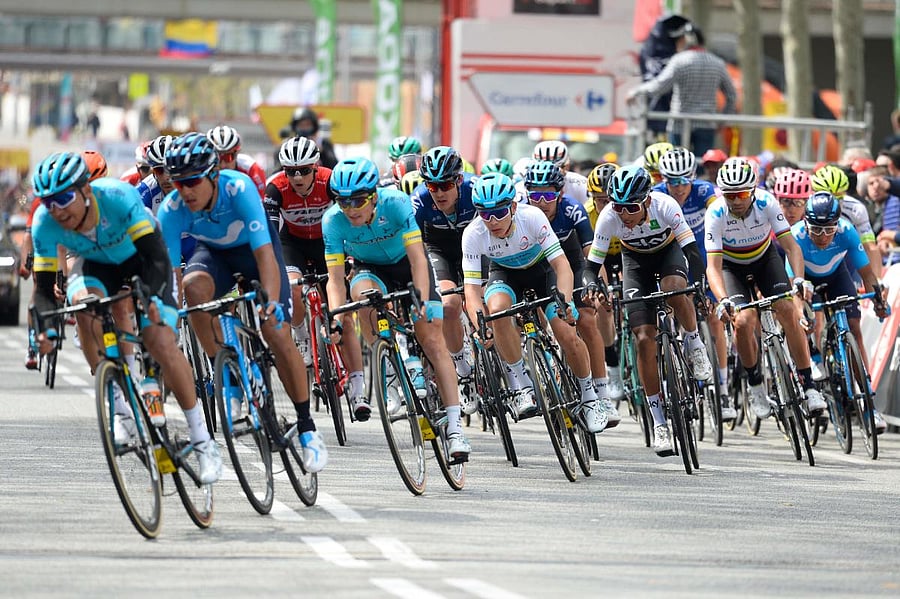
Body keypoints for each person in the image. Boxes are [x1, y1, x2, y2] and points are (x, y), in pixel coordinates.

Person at [29, 151, 222, 483]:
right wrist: (46, 330)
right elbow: (44, 291)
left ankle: (203, 440)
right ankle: (119, 407)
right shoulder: (45, 224)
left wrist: (154, 302)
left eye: (64, 198)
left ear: (86, 190)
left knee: (159, 340)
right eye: (49, 202)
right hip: (97, 265)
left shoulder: (117, 198)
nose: (57, 210)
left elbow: (158, 258)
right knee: (84, 306)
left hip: (144, 258)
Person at [158, 133, 328, 474]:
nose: (185, 191)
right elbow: (172, 275)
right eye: (178, 183)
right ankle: (228, 371)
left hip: (255, 253)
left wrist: (271, 304)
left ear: (212, 175)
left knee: (276, 330)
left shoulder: (239, 188)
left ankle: (308, 428)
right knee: (193, 292)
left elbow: (266, 254)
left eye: (192, 182)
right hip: (214, 256)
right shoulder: (172, 209)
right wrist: (169, 318)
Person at [321, 157, 471, 459]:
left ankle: (455, 428)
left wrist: (421, 299)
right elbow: (335, 281)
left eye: (358, 200)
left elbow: (418, 259)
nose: (350, 208)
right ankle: (387, 359)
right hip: (369, 268)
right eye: (343, 201)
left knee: (431, 339)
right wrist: (336, 317)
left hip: (408, 265)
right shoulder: (332, 221)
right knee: (363, 297)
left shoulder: (396, 203)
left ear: (373, 196)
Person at [583, 165, 712, 456]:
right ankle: (659, 423)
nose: (625, 215)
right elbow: (591, 267)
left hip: (668, 254)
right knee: (643, 338)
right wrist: (593, 285)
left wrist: (700, 284)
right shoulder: (609, 217)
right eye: (619, 207)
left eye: (632, 207)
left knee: (674, 289)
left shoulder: (666, 205)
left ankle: (693, 342)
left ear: (647, 201)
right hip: (636, 264)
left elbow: (692, 250)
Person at [462, 172, 602, 431]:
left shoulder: (532, 217)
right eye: (484, 213)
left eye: (499, 213)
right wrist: (480, 324)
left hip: (542, 271)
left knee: (565, 332)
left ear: (513, 207)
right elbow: (471, 292)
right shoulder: (473, 234)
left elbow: (562, 266)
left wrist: (566, 304)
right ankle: (521, 386)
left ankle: (590, 397)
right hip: (505, 273)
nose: (492, 221)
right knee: (496, 310)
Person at [705, 157, 826, 420]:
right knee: (744, 320)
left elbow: (791, 247)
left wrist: (798, 280)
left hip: (764, 260)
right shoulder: (715, 213)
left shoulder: (766, 202)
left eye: (741, 194)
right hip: (731, 267)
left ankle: (809, 384)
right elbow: (712, 266)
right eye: (729, 195)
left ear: (752, 190)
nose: (735, 200)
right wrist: (723, 299)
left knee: (786, 308)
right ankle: (756, 385)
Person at [523, 161, 614, 431]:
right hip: (537, 267)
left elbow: (592, 257)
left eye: (548, 195)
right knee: (540, 316)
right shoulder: (522, 215)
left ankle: (602, 393)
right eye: (535, 195)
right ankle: (548, 361)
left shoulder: (572, 211)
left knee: (586, 319)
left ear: (560, 195)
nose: (541, 202)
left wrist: (601, 290)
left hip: (572, 264)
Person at [790, 192, 888, 434]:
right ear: (806, 224)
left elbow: (866, 272)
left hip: (837, 276)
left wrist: (877, 299)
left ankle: (869, 406)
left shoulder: (845, 230)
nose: (823, 237)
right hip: (805, 278)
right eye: (817, 230)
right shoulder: (797, 235)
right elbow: (795, 284)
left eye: (828, 230)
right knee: (804, 321)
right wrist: (801, 311)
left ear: (837, 225)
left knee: (854, 328)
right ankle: (813, 359)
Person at [653, 147, 734, 420]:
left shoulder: (704, 191)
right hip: (670, 259)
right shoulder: (658, 194)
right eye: (671, 181)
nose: (677, 187)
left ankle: (722, 390)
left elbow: (719, 210)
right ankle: (672, 375)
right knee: (670, 313)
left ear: (693, 177)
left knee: (713, 319)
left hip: (701, 256)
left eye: (683, 180)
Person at [410, 146, 479, 416]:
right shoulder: (419, 201)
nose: (438, 192)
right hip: (439, 251)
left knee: (486, 301)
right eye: (432, 186)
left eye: (445, 185)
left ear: (459, 180)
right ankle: (463, 371)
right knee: (450, 306)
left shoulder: (476, 191)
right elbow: (411, 246)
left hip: (474, 250)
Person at [262, 136, 338, 373]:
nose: (297, 178)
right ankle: (302, 335)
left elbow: (345, 221)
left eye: (303, 171)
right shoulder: (275, 187)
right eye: (291, 171)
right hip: (292, 243)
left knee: (335, 301)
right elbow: (271, 234)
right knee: (294, 288)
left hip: (325, 241)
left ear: (315, 167)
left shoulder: (330, 182)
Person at [627, 22, 737, 157]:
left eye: (679, 40)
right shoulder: (717, 63)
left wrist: (637, 91)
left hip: (679, 122)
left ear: (687, 39)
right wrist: (722, 121)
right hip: (706, 124)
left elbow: (660, 86)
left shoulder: (680, 61)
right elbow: (731, 95)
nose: (677, 44)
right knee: (701, 164)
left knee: (676, 164)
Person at [584, 163, 625, 403]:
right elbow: (592, 258)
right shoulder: (588, 213)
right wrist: (603, 289)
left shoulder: (627, 209)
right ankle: (613, 368)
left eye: (611, 200)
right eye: (600, 200)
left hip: (627, 253)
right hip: (601, 257)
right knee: (604, 306)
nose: (607, 207)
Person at [516, 141, 588, 205]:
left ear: (567, 166)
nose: (550, 177)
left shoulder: (581, 183)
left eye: (557, 169)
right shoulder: (520, 188)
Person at [206, 125, 267, 198]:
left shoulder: (252, 169)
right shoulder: (201, 170)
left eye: (228, 157)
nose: (222, 165)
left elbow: (260, 204)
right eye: (217, 158)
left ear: (237, 154)